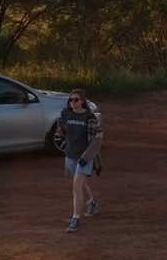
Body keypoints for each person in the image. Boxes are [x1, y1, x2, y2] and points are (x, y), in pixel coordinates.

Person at [56, 89, 103, 233]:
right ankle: (92, 202)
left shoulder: (90, 118)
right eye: (71, 100)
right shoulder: (66, 114)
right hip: (70, 155)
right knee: (81, 184)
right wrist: (62, 143)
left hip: (84, 157)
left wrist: (86, 157)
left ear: (82, 101)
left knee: (76, 186)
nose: (72, 102)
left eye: (76, 100)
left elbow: (97, 140)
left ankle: (75, 219)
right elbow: (60, 131)